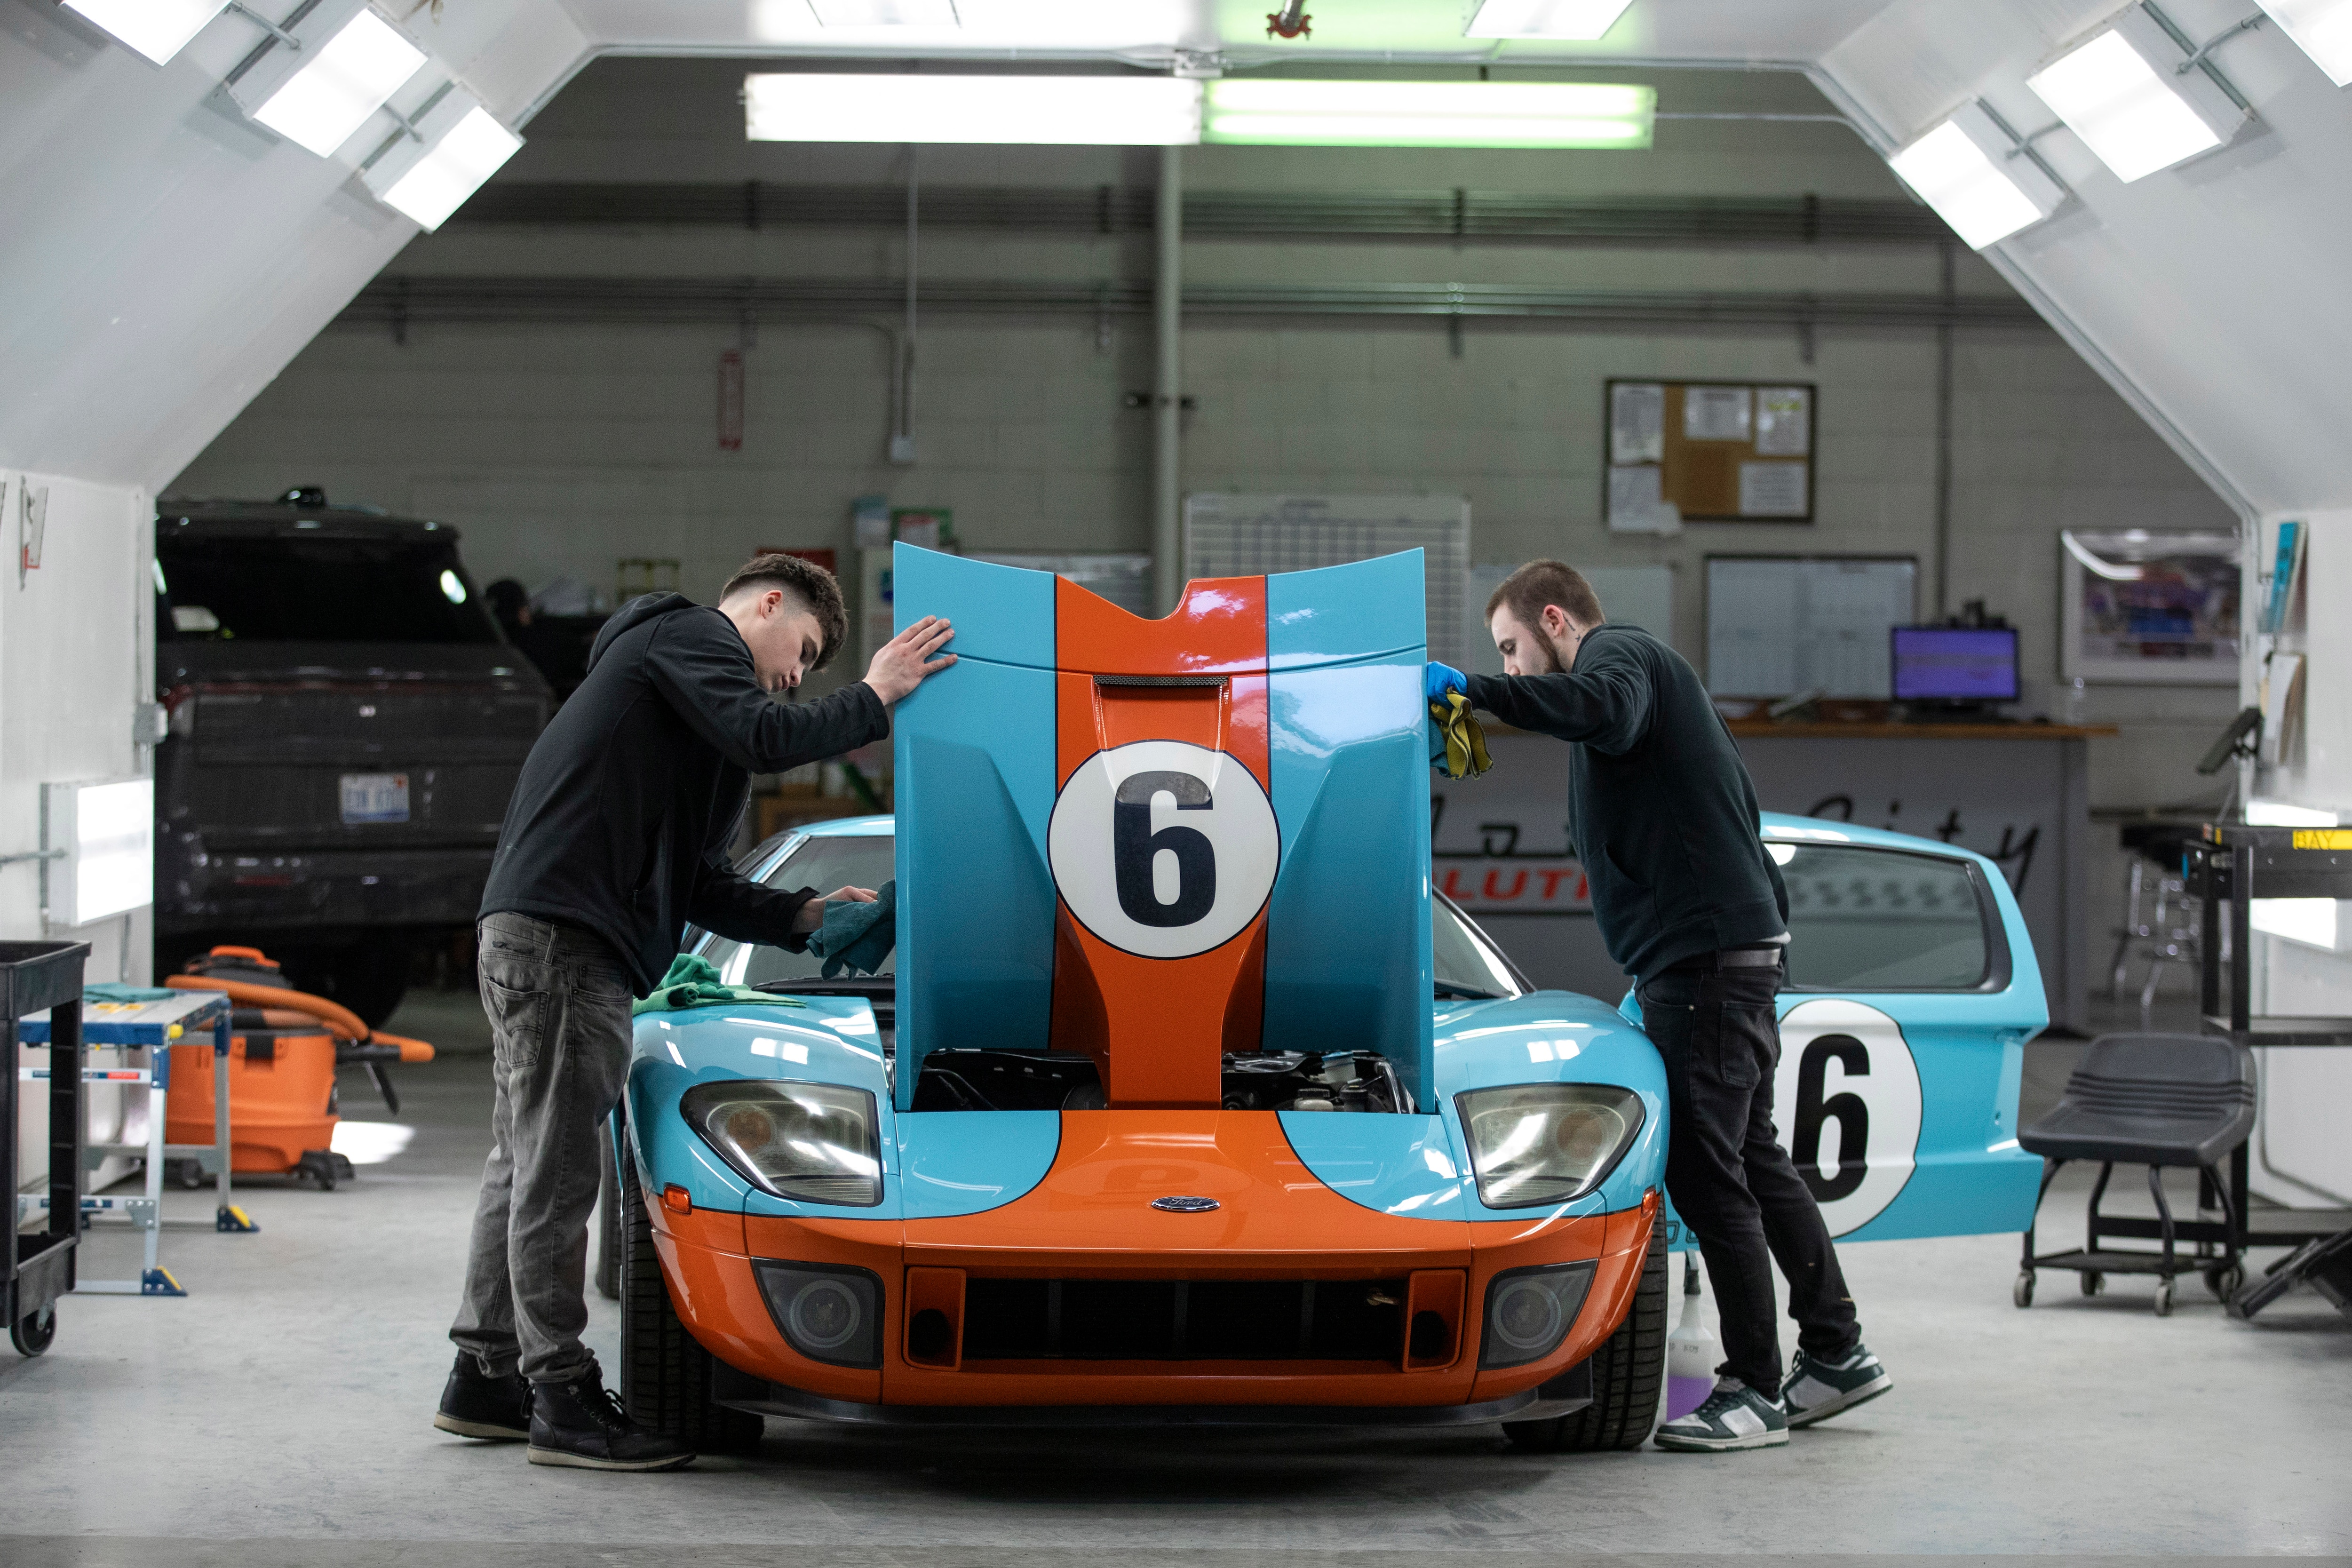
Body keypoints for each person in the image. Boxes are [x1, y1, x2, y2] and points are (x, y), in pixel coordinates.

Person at [434, 552, 954, 1471]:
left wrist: (803, 915)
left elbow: (702, 881)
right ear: (767, 603)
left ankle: (484, 1377)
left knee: (525, 1159)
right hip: (566, 940)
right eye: (804, 650)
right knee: (557, 1172)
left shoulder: (684, 715)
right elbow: (766, 732)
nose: (797, 676)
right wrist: (876, 695)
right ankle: (561, 1397)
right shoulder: (688, 635)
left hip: (544, 931)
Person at [1428, 559, 1889, 1453]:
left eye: (1513, 648)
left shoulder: (1623, 660)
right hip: (1722, 956)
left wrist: (1477, 692)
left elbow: (1600, 707)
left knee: (1708, 1174)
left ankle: (1753, 1389)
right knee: (1752, 1158)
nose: (1512, 666)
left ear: (1555, 619)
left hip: (1705, 963)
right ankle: (1837, 1352)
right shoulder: (1646, 682)